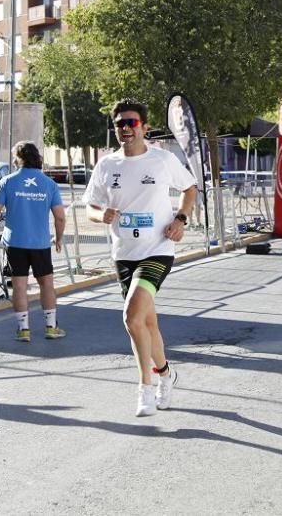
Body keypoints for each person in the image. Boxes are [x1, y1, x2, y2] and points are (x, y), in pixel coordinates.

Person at [82, 100, 197, 416]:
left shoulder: (162, 160)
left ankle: (145, 388)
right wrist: (99, 215)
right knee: (146, 323)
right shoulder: (107, 166)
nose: (125, 128)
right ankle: (166, 374)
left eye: (131, 122)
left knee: (131, 317)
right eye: (119, 123)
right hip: (124, 254)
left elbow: (189, 188)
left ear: (145, 127)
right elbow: (90, 206)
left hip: (157, 249)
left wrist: (181, 219)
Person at [0, 141, 67, 342]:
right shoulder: (49, 184)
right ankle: (51, 327)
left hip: (15, 242)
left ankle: (23, 329)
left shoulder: (7, 181)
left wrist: (8, 215)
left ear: (18, 159)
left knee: (20, 286)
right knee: (46, 284)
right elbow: (60, 216)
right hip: (40, 243)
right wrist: (58, 238)